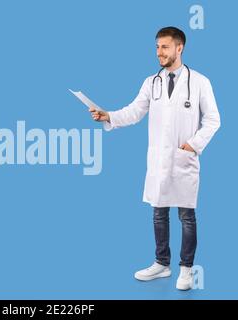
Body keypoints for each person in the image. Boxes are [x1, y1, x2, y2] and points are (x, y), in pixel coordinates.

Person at [90, 27, 220, 290]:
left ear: (179, 48)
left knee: (186, 216)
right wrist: (109, 116)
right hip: (160, 160)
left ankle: (186, 269)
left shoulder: (200, 82)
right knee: (159, 213)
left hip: (184, 159)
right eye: (157, 47)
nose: (159, 52)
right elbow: (135, 111)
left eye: (164, 47)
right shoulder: (152, 82)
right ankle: (162, 263)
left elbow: (213, 119)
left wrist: (193, 145)